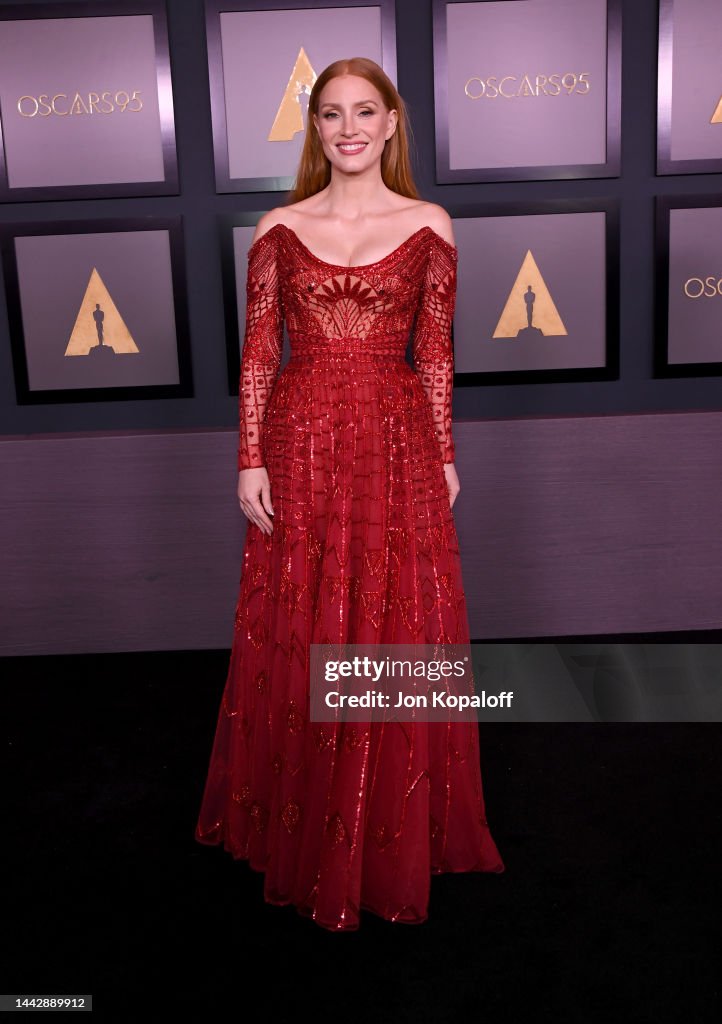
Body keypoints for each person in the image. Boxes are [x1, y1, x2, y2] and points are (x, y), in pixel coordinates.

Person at [194, 56, 505, 931]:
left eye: (365, 111)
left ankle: (386, 820)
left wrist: (443, 452)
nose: (349, 128)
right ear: (316, 129)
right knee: (302, 618)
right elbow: (260, 353)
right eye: (331, 114)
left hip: (396, 440)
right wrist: (249, 456)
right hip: (300, 438)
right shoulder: (279, 225)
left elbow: (435, 353)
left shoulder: (429, 221)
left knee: (395, 613)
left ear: (393, 121)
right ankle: (307, 811)